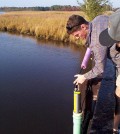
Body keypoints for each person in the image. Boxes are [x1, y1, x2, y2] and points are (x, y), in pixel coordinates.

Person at [66, 10, 120, 133]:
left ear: (83, 26)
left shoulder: (97, 41)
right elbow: (94, 41)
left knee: (118, 95)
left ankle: (115, 129)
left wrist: (84, 77)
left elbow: (99, 69)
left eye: (77, 35)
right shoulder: (97, 19)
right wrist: (87, 55)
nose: (77, 38)